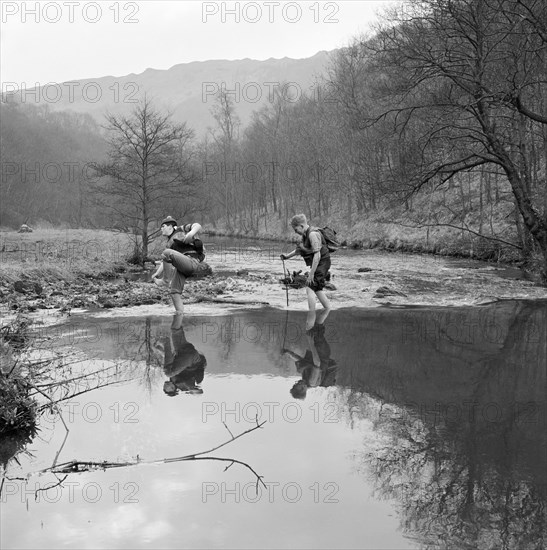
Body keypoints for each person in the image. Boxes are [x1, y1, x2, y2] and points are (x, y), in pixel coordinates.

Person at [152, 216, 205, 313]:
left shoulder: (181, 229)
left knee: (166, 252)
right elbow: (166, 261)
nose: (161, 229)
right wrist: (157, 273)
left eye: (163, 226)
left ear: (170, 226)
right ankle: (179, 315)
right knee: (174, 292)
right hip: (183, 268)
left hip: (192, 262)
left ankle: (165, 281)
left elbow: (197, 225)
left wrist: (190, 234)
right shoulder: (169, 244)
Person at [280, 213, 331, 311]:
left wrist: (311, 274)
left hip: (322, 263)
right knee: (317, 289)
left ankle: (311, 313)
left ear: (302, 226)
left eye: (296, 230)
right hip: (319, 263)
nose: (296, 232)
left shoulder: (312, 234)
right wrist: (287, 257)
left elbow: (317, 255)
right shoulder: (305, 235)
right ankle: (328, 309)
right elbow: (299, 250)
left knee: (310, 287)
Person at [283, 309, 337, 400]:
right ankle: (327, 307)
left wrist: (288, 353)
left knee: (314, 327)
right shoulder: (312, 382)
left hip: (319, 351)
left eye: (295, 384)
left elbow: (301, 361)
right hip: (322, 351)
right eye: (297, 385)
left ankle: (323, 306)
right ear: (302, 389)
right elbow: (317, 363)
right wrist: (311, 342)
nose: (297, 383)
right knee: (316, 327)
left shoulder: (305, 379)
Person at [156, 313, 207, 396]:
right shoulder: (183, 386)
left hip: (183, 352)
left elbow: (170, 359)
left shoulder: (173, 375)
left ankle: (178, 312)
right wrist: (192, 390)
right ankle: (165, 341)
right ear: (173, 388)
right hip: (192, 360)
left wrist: (159, 350)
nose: (164, 386)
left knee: (175, 330)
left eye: (164, 388)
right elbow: (199, 392)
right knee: (168, 373)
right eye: (166, 388)